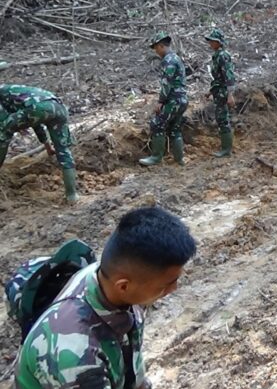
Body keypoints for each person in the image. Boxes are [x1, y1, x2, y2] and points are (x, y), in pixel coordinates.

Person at [15, 206, 197, 388]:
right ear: (124, 286)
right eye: (166, 284)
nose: (173, 289)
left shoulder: (114, 282)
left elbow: (134, 365)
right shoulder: (77, 354)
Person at [0, 84, 78, 202]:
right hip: (59, 107)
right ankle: (72, 196)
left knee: (4, 131)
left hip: (36, 108)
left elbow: (3, 122)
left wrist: (14, 125)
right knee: (63, 151)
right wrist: (48, 147)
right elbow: (36, 122)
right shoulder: (17, 90)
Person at [139, 31, 188, 167]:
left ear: (161, 46)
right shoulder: (176, 58)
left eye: (156, 48)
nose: (156, 52)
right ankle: (179, 159)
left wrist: (161, 101)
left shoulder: (169, 61)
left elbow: (167, 84)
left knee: (157, 124)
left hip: (173, 100)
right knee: (175, 128)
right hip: (182, 99)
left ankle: (156, 157)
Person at [204, 28, 236, 157]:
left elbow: (229, 76)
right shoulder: (217, 55)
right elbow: (218, 78)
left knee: (223, 118)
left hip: (223, 92)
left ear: (218, 42)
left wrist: (230, 94)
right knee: (220, 117)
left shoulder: (223, 56)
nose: (210, 43)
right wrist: (210, 91)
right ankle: (225, 148)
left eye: (212, 41)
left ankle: (226, 149)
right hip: (218, 90)